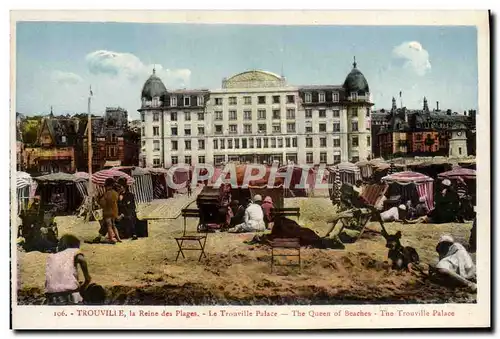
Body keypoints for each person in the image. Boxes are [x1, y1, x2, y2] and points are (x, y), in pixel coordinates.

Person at [45, 234, 91, 305]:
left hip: (52, 296)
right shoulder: (74, 250)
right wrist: (87, 278)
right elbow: (82, 260)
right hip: (70, 294)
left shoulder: (51, 257)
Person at [98, 178, 121, 244]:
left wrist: (99, 199)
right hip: (114, 211)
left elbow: (102, 203)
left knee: (109, 226)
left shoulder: (106, 194)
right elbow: (117, 200)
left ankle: (111, 239)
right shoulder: (115, 193)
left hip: (107, 212)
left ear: (107, 185)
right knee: (114, 225)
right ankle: (118, 238)